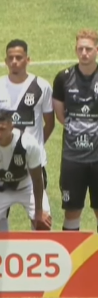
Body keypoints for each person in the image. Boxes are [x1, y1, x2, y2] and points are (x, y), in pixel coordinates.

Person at [0, 39, 54, 229]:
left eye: (19, 58)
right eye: (10, 58)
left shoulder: (41, 86)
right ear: (5, 61)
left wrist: (35, 146)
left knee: (41, 221)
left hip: (32, 165)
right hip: (1, 164)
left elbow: (49, 122)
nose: (14, 61)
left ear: (27, 60)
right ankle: (0, 255)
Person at [52, 29, 98, 231]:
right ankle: (72, 261)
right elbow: (61, 116)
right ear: (76, 50)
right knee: (72, 211)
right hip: (73, 157)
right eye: (81, 49)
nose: (84, 53)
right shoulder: (63, 78)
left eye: (88, 49)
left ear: (96, 50)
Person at [0, 110, 48, 231]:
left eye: (2, 129)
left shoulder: (28, 144)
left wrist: (39, 211)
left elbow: (37, 178)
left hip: (26, 187)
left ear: (11, 127)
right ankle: (0, 246)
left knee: (43, 224)